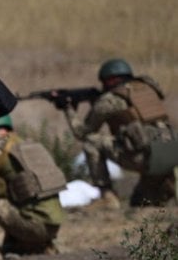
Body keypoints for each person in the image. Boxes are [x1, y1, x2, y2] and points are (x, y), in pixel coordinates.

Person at [61, 58, 177, 208]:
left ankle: (107, 197)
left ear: (110, 81)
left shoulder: (110, 100)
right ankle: (166, 186)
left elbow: (82, 132)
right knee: (139, 203)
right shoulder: (148, 89)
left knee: (92, 142)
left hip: (144, 158)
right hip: (171, 154)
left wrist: (67, 108)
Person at [0, 115, 66, 256]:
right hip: (53, 223)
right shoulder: (26, 144)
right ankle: (31, 244)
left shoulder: (0, 150)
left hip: (34, 226)